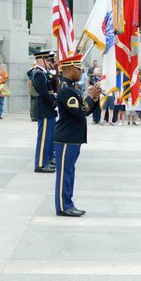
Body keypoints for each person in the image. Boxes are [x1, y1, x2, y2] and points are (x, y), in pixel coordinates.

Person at [54, 55, 102, 217]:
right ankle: (63, 206)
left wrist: (94, 97)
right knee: (64, 174)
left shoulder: (72, 87)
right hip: (66, 137)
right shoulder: (66, 89)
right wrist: (90, 96)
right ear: (68, 70)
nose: (81, 71)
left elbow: (84, 109)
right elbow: (80, 112)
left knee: (69, 172)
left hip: (72, 137)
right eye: (77, 68)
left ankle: (68, 203)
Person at [31, 50, 58, 173]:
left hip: (49, 110)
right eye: (48, 60)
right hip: (45, 109)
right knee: (43, 139)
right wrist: (53, 103)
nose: (50, 62)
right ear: (40, 60)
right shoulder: (38, 74)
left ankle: (46, 160)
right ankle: (40, 164)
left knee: (48, 138)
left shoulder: (44, 73)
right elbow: (44, 93)